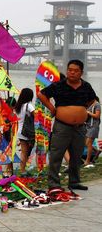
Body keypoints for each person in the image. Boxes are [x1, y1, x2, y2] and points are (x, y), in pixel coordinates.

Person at [37, 59, 96, 191]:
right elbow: (41, 94)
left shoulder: (86, 86)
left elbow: (92, 100)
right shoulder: (59, 85)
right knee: (56, 154)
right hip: (62, 126)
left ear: (81, 72)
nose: (72, 73)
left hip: (80, 127)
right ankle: (53, 184)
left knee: (76, 155)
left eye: (76, 71)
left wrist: (81, 112)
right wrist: (52, 108)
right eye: (70, 70)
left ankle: (74, 181)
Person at [14, 88, 35, 176]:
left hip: (20, 131)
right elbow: (36, 116)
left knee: (24, 151)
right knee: (28, 151)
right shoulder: (29, 105)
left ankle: (22, 170)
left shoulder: (19, 106)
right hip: (28, 131)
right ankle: (23, 170)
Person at [84, 97, 100, 167]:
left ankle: (87, 161)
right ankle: (96, 151)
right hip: (87, 126)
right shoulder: (90, 105)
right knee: (85, 143)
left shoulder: (97, 105)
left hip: (94, 127)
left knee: (88, 143)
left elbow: (97, 116)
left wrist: (88, 112)